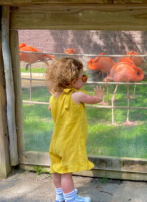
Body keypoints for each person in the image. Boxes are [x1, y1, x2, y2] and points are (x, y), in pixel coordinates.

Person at [46, 57, 104, 202]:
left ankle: (60, 196)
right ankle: (71, 199)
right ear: (73, 81)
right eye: (83, 77)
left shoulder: (53, 97)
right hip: (69, 142)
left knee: (56, 168)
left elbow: (51, 108)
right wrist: (99, 97)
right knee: (66, 172)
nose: (84, 80)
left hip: (56, 141)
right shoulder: (77, 95)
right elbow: (93, 100)